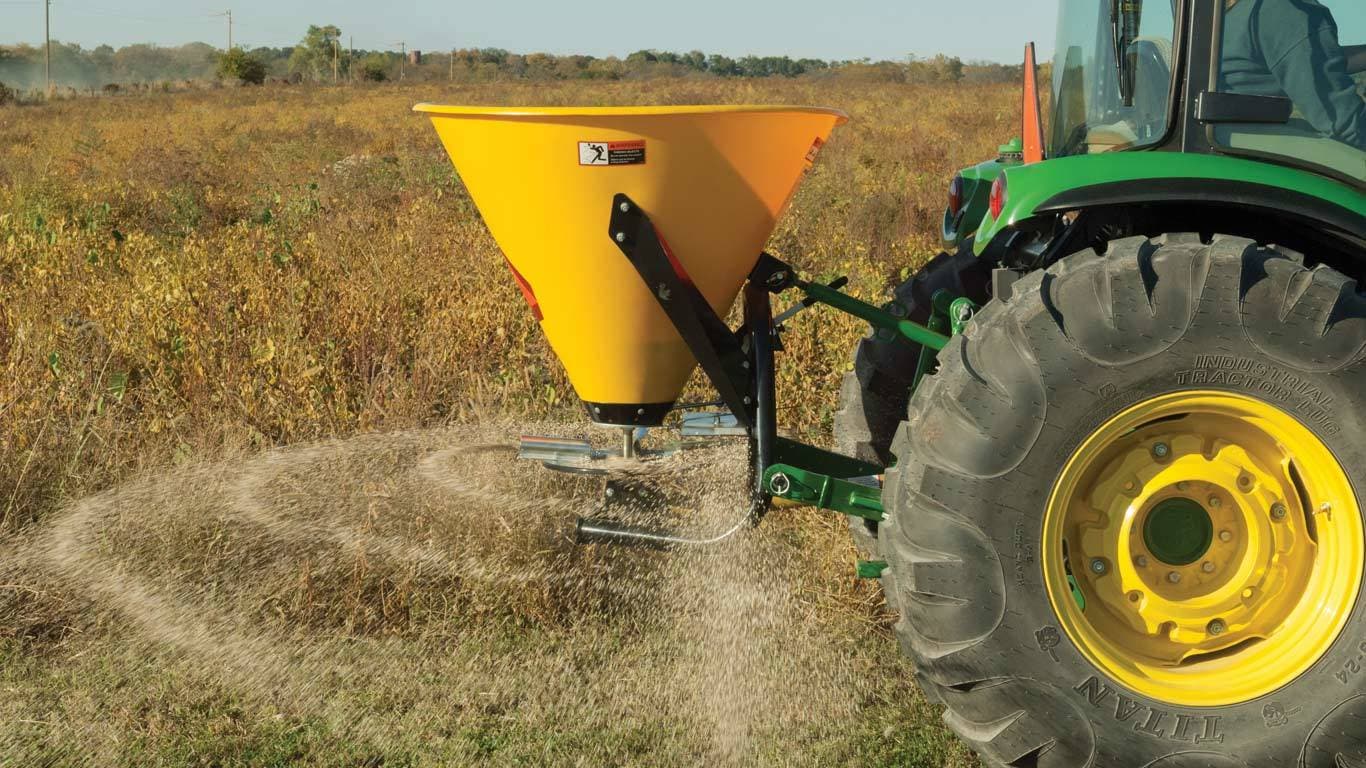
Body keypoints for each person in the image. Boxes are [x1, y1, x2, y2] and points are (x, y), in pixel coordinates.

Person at [1221, 0, 1366, 149]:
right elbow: (1347, 126)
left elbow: (1312, 56)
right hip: (1258, 156)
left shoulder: (1244, 12)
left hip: (1230, 146)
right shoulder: (1287, 9)